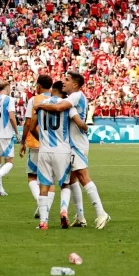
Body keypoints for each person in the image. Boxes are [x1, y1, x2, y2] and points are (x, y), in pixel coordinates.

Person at [36, 72, 110, 229]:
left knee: (83, 178)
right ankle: (81, 217)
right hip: (70, 145)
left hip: (77, 144)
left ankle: (101, 213)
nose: (64, 82)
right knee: (73, 181)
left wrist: (41, 105)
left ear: (75, 85)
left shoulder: (75, 97)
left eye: (67, 80)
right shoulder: (73, 98)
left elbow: (59, 107)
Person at [31, 81, 89, 230]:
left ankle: (43, 222)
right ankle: (63, 211)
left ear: (52, 90)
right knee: (65, 184)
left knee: (44, 186)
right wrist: (85, 128)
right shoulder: (66, 105)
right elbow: (79, 123)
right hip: (62, 150)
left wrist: (42, 141)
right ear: (62, 92)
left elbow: (31, 128)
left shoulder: (41, 104)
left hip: (44, 150)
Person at [20, 75, 56, 219]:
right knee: (50, 179)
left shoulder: (34, 100)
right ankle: (45, 206)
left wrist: (22, 142)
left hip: (36, 143)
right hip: (53, 144)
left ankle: (41, 204)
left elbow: (28, 123)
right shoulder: (57, 100)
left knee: (32, 176)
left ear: (39, 86)